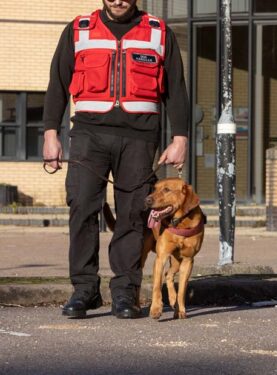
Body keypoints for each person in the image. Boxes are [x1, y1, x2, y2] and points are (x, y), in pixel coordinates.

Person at [42, 0, 190, 319]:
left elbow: (176, 88)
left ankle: (125, 292)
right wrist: (50, 133)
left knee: (134, 213)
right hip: (88, 135)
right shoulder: (79, 30)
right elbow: (57, 82)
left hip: (139, 137)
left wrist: (181, 138)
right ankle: (85, 289)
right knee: (82, 205)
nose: (118, 0)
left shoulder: (159, 32)